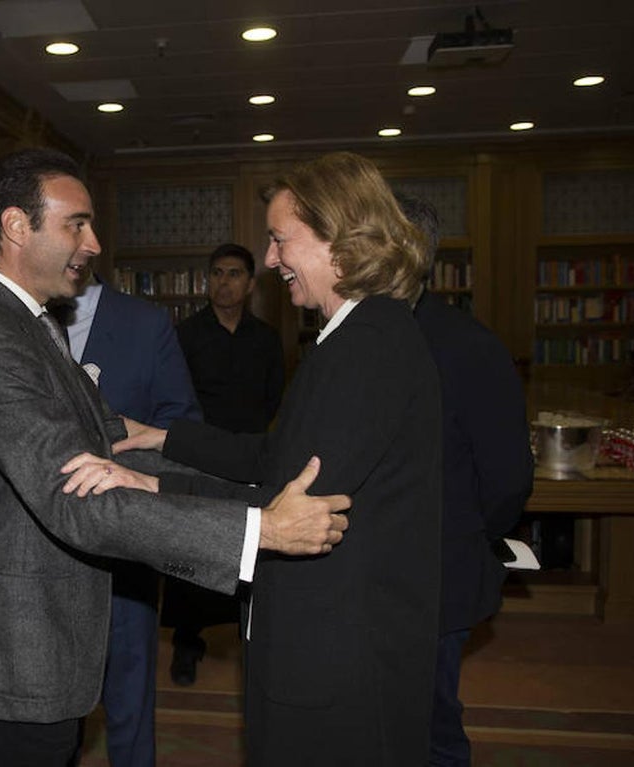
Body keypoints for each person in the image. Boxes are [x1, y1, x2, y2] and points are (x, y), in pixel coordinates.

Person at [0, 147, 350, 767]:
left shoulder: (29, 325)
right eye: (77, 224)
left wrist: (258, 504)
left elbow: (119, 454)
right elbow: (77, 499)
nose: (94, 243)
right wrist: (258, 531)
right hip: (19, 643)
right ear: (17, 227)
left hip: (52, 632)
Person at [115, 151, 444, 766]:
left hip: (341, 652)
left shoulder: (367, 347)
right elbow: (276, 453)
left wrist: (149, 490)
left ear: (337, 236)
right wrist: (163, 439)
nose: (268, 260)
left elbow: (290, 504)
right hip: (332, 636)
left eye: (278, 239)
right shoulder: (356, 334)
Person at [397, 192, 535, 767]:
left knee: (431, 730)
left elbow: (507, 478)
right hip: (363, 583)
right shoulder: (343, 338)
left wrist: (463, 540)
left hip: (435, 579)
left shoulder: (469, 346)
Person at [55, 270, 202, 766]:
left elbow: (181, 429)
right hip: (37, 553)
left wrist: (119, 470)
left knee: (128, 698)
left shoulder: (144, 323)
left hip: (123, 550)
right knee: (47, 715)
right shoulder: (14, 317)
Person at [165, 242, 285, 685]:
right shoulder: (186, 335)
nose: (224, 282)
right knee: (192, 547)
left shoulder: (267, 338)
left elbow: (274, 397)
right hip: (200, 456)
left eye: (234, 274)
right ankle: (186, 642)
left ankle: (249, 636)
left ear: (250, 284)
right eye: (217, 273)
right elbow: (177, 397)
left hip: (250, 458)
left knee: (247, 549)